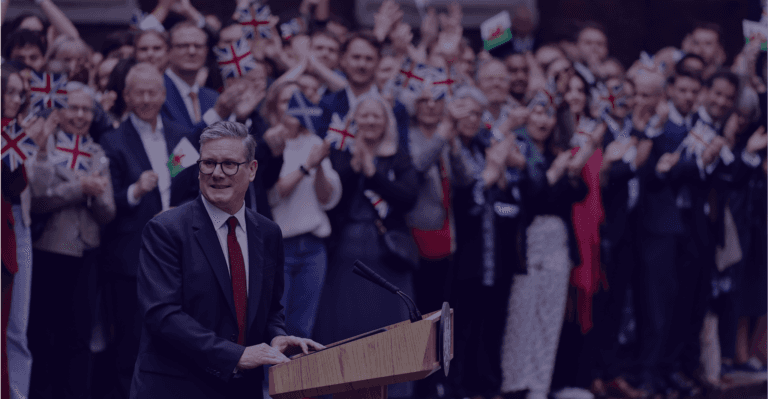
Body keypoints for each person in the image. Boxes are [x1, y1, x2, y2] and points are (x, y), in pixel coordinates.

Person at [130, 120, 323, 399]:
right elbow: (162, 315)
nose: (217, 173)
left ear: (252, 170)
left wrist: (276, 336)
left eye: (229, 164)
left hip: (241, 390)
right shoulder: (165, 230)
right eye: (208, 163)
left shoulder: (268, 233)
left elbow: (270, 310)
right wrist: (236, 355)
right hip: (175, 388)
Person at [98, 62, 201, 399]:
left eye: (151, 92)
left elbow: (194, 190)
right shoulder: (111, 141)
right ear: (126, 96)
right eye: (138, 92)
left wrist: (180, 213)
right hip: (130, 259)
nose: (145, 99)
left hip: (178, 257)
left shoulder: (180, 137)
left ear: (163, 94)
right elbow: (104, 202)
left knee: (176, 340)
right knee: (129, 342)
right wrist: (135, 191)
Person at [313, 93, 418, 398]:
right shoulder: (340, 156)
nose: (370, 121)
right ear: (353, 120)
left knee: (389, 329)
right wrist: (353, 168)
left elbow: (407, 198)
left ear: (387, 122)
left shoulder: (398, 156)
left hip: (387, 256)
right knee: (343, 327)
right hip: (345, 255)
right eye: (365, 115)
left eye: (377, 116)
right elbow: (330, 202)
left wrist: (373, 175)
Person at [26, 83, 116, 399]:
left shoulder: (97, 151)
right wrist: (81, 188)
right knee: (45, 334)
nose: (80, 115)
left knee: (79, 336)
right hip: (51, 251)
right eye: (73, 108)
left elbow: (108, 212)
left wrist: (96, 195)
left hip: (87, 252)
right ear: (59, 111)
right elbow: (37, 200)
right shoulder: (44, 147)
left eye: (87, 109)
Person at [501, 96, 590, 399]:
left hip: (558, 240)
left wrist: (571, 171)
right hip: (525, 241)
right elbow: (534, 196)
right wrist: (553, 174)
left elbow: (578, 193)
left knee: (550, 316)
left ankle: (540, 386)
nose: (542, 119)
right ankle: (515, 385)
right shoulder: (516, 148)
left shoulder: (557, 152)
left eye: (549, 114)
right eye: (537, 112)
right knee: (522, 314)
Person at [265, 81, 342, 339]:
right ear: (275, 107)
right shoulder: (268, 142)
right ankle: (270, 382)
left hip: (313, 248)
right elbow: (274, 195)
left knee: (303, 328)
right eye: (286, 101)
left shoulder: (314, 142)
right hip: (280, 248)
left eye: (298, 99)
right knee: (277, 328)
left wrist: (319, 165)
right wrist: (307, 167)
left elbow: (326, 198)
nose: (293, 107)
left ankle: (299, 381)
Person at [162, 22, 219, 130]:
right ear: (168, 51)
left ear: (206, 52)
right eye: (183, 46)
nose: (192, 51)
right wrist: (217, 113)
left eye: (198, 46)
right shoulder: (155, 91)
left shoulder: (213, 98)